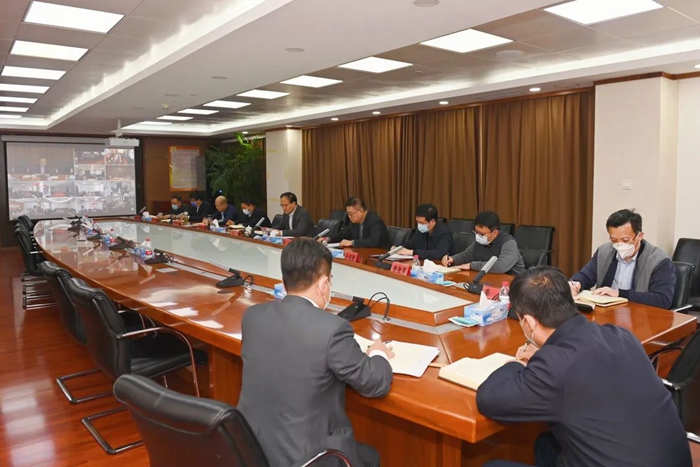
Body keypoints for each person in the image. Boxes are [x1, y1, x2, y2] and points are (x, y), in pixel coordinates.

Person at [476, 266, 691, 467]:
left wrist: (517, 364)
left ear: (529, 323)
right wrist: (543, 356)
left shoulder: (554, 365)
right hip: (672, 459)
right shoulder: (620, 335)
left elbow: (489, 399)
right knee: (546, 444)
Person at [237, 238, 393, 467]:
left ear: (284, 280)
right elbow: (375, 383)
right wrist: (378, 353)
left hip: (251, 448)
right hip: (307, 458)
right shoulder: (332, 329)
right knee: (372, 457)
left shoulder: (252, 316)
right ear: (323, 284)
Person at [569, 209, 675, 309]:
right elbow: (586, 275)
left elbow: (662, 300)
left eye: (625, 240)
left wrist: (619, 294)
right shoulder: (604, 252)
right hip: (606, 313)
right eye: (614, 240)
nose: (619, 245)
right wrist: (577, 283)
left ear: (640, 236)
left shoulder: (659, 261)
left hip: (640, 316)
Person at [442, 210, 524, 274]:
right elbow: (467, 255)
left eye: (481, 234)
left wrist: (471, 265)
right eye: (476, 232)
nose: (478, 236)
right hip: (489, 278)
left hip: (513, 283)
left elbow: (500, 267)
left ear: (495, 233)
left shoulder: (508, 243)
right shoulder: (480, 242)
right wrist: (453, 259)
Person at [323, 197, 391, 249]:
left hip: (379, 255)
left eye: (351, 214)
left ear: (361, 211)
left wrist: (352, 243)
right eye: (348, 214)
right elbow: (344, 234)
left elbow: (372, 241)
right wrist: (328, 238)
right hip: (362, 252)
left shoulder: (375, 221)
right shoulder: (355, 221)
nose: (349, 217)